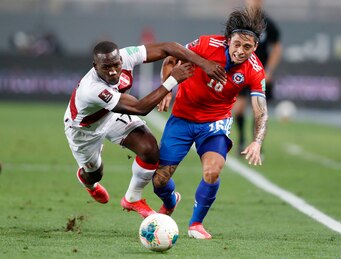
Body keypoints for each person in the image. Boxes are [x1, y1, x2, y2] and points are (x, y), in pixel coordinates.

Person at [63, 41, 226, 219]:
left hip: (111, 115)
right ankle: (89, 184)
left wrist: (203, 63)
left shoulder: (127, 56)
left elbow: (168, 47)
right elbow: (141, 108)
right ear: (95, 66)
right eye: (106, 67)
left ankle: (132, 198)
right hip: (84, 130)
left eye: (116, 65)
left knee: (149, 149)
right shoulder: (92, 89)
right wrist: (172, 80)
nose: (112, 71)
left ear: (120, 60)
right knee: (94, 174)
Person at [153, 7, 268, 239]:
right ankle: (171, 199)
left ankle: (196, 224)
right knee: (159, 180)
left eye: (247, 47)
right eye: (237, 44)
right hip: (183, 118)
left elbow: (260, 111)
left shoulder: (255, 70)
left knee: (212, 171)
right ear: (228, 41)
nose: (240, 51)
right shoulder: (206, 45)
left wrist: (257, 142)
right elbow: (171, 57)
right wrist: (166, 89)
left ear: (255, 47)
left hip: (215, 123)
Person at [233, 0, 282, 153]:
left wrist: (269, 71)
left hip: (259, 74)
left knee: (259, 111)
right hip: (241, 71)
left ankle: (257, 145)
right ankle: (241, 140)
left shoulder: (268, 24)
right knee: (239, 109)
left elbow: (276, 48)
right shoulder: (238, 21)